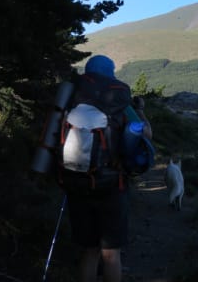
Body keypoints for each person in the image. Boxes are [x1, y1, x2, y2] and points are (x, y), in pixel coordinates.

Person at [64, 55, 152, 282]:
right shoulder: (119, 103)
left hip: (76, 183)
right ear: (110, 74)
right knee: (111, 254)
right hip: (112, 185)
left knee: (89, 250)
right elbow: (146, 135)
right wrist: (140, 110)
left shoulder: (71, 99)